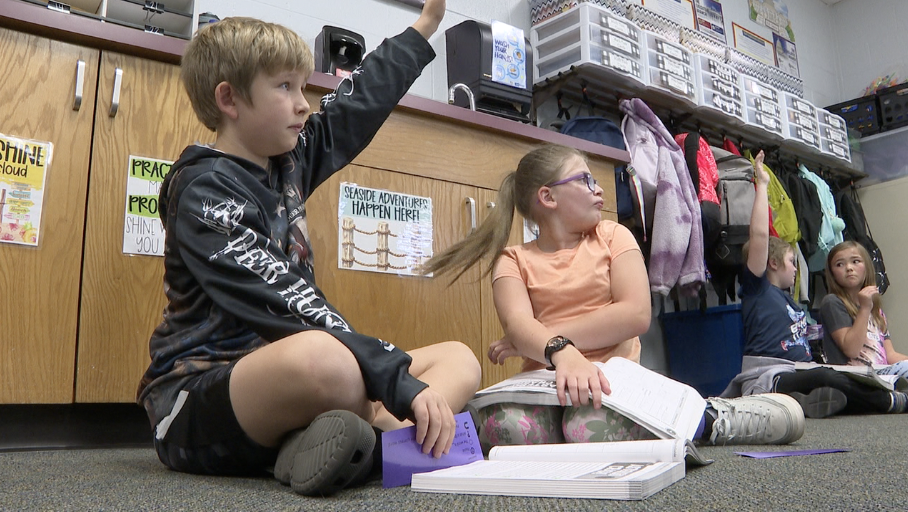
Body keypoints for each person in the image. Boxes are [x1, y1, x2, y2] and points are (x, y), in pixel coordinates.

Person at [137, 3, 482, 498]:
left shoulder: (286, 162)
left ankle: (347, 446)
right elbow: (288, 299)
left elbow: (355, 106)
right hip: (196, 404)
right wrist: (393, 380)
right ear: (229, 99)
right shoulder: (203, 191)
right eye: (285, 87)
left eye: (303, 87)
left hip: (294, 383)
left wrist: (425, 25)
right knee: (333, 362)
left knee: (460, 359)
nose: (304, 103)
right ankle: (381, 443)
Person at [421, 144, 805, 450]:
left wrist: (543, 338)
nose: (600, 188)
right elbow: (520, 326)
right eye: (586, 180)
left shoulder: (613, 236)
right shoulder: (513, 260)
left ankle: (712, 418)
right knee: (502, 427)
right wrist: (558, 351)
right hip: (547, 385)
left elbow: (635, 314)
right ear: (548, 197)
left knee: (587, 428)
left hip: (614, 384)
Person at [724, 151, 908, 418]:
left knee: (836, 378)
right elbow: (760, 235)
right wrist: (762, 184)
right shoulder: (758, 289)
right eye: (792, 261)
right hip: (771, 374)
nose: (797, 268)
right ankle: (893, 402)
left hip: (802, 369)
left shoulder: (791, 301)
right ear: (772, 264)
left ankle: (807, 401)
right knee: (829, 377)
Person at [819, 241, 908, 381]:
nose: (849, 268)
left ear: (867, 267)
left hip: (882, 375)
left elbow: (890, 355)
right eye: (839, 264)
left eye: (855, 261)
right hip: (855, 379)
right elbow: (851, 350)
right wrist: (865, 308)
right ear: (832, 274)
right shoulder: (833, 303)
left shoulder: (876, 311)